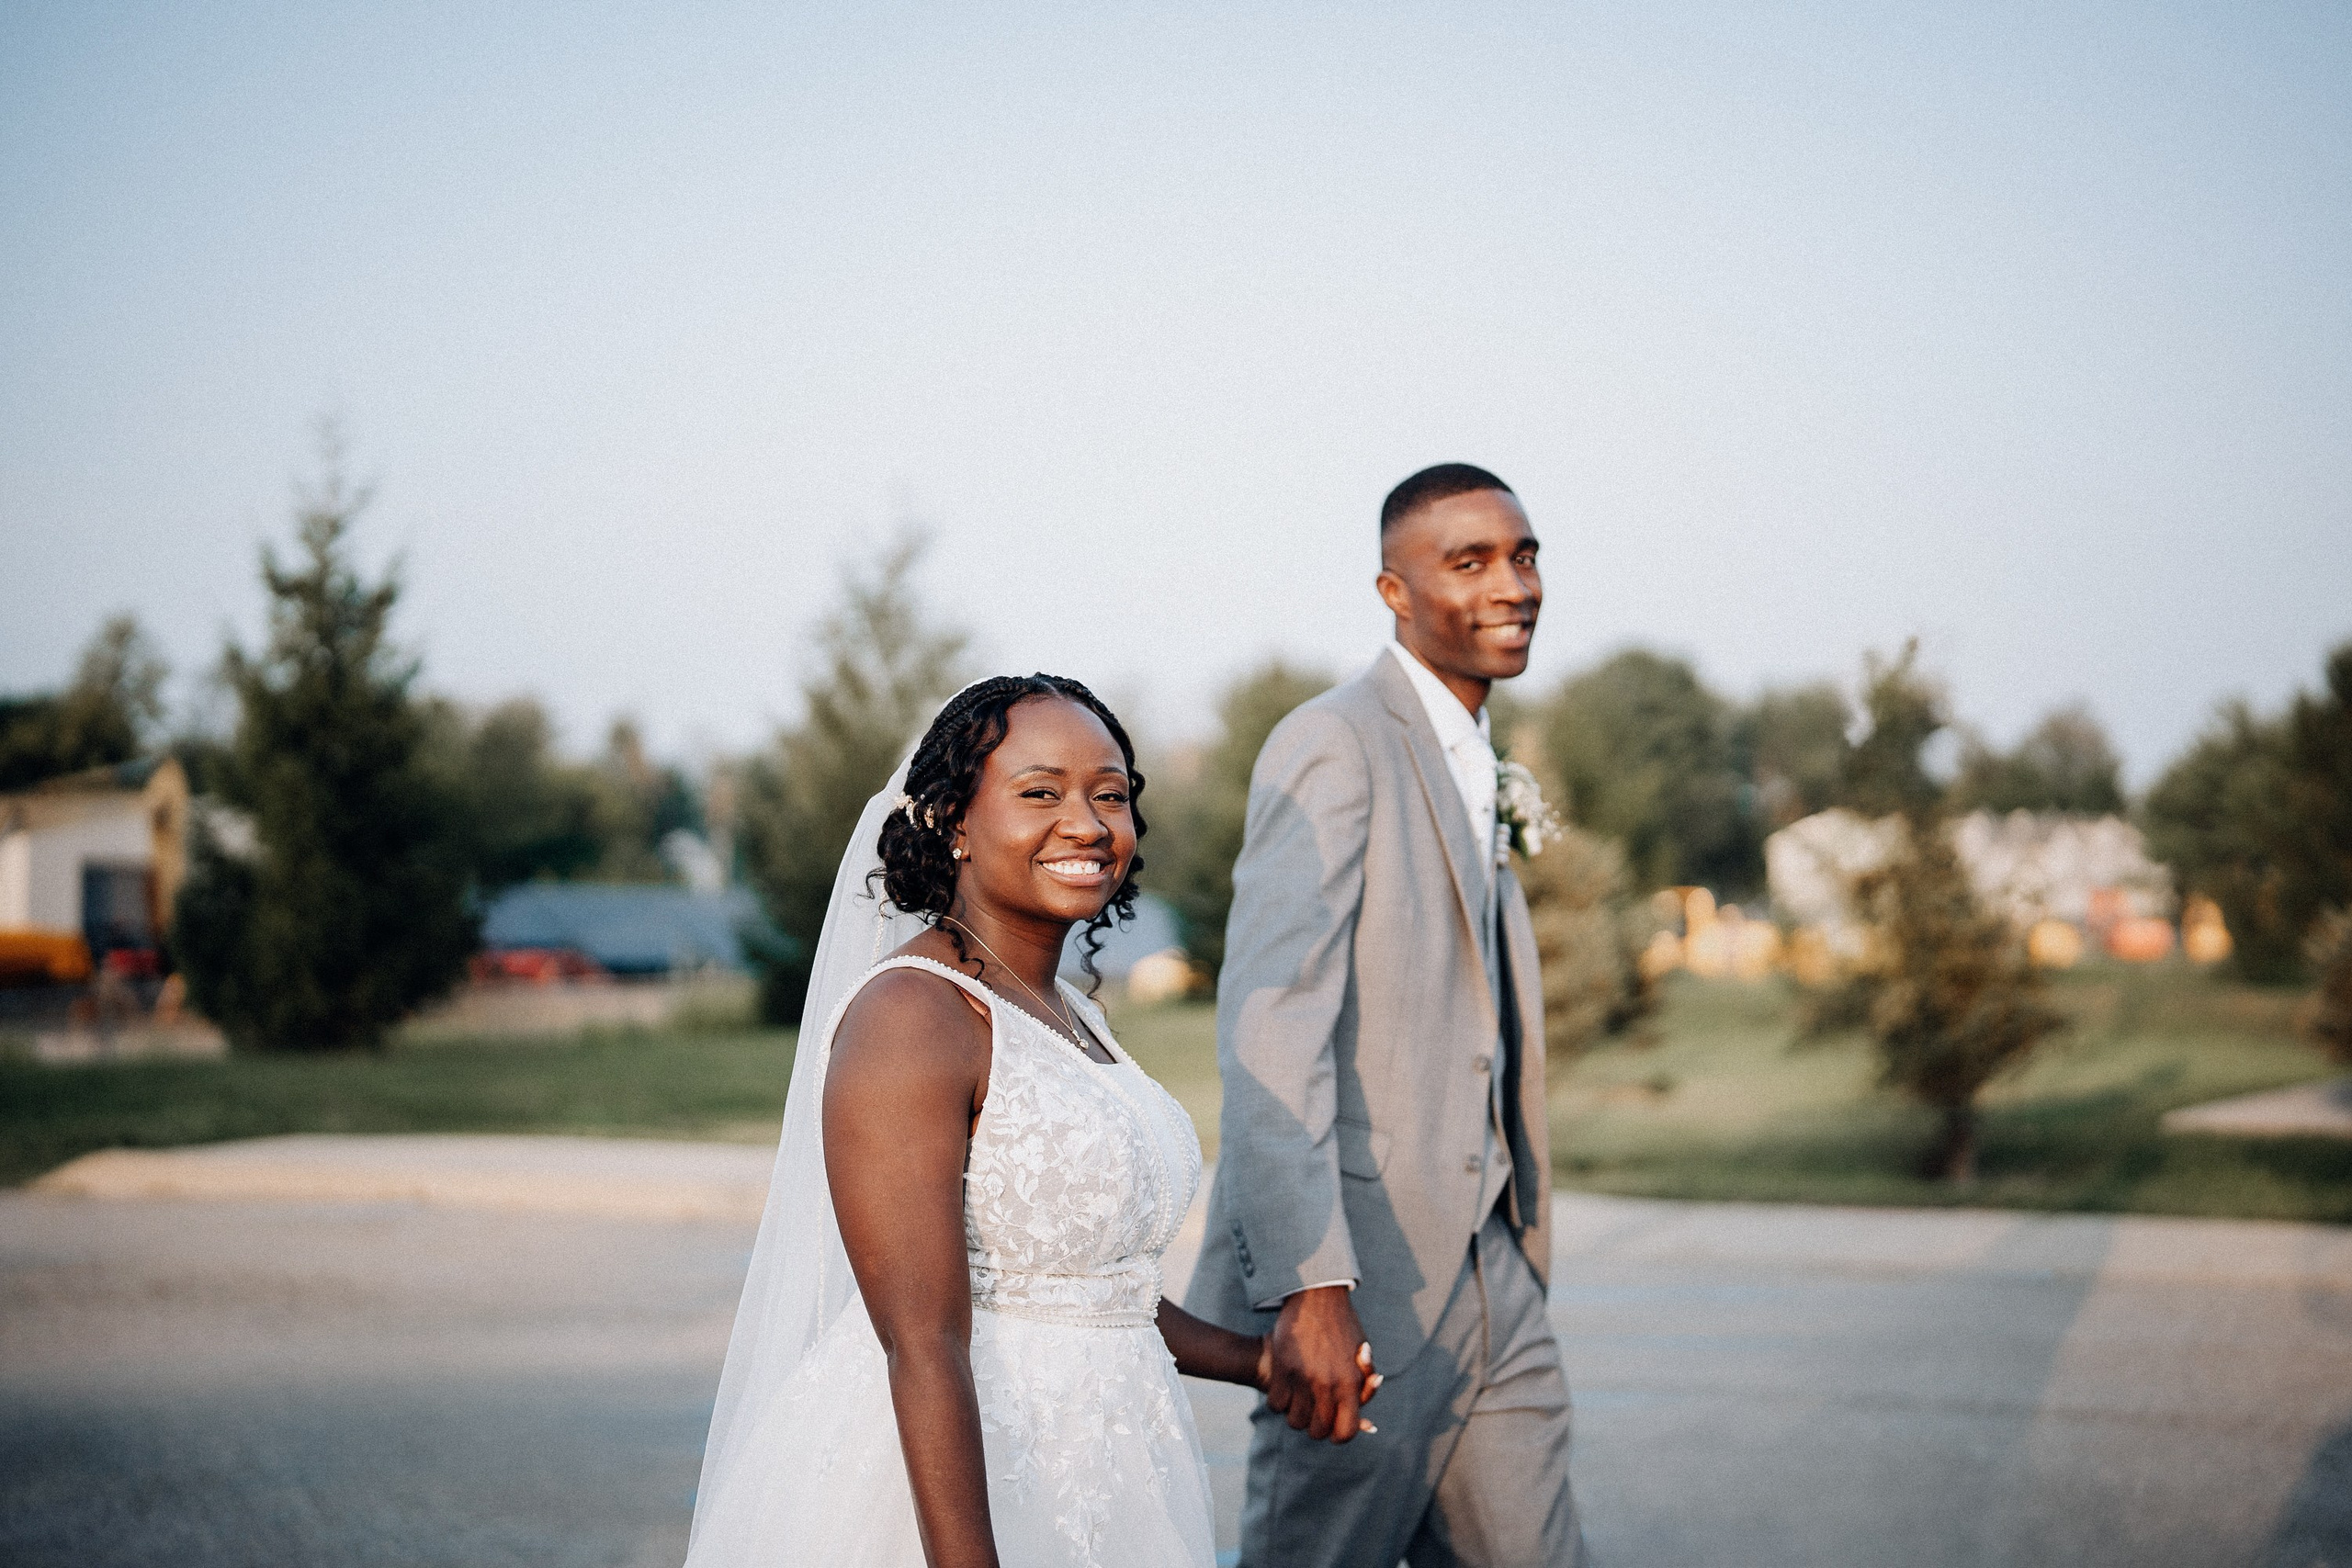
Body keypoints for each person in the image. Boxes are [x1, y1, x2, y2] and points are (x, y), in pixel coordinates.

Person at [684, 673, 1375, 1568]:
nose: (1087, 823)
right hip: (957, 1490)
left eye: (1111, 795)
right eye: (1040, 792)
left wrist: (1258, 1361)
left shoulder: (1069, 1015)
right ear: (953, 821)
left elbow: (1092, 1292)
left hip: (1116, 1474)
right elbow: (921, 1342)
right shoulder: (914, 1017)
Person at [1185, 464, 1589, 1566]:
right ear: (1392, 592)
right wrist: (1310, 1289)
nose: (1512, 584)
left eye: (1524, 554)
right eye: (1467, 563)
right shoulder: (1333, 742)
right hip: (1362, 1285)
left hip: (1494, 1270)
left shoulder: (1478, 757)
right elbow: (1271, 1029)